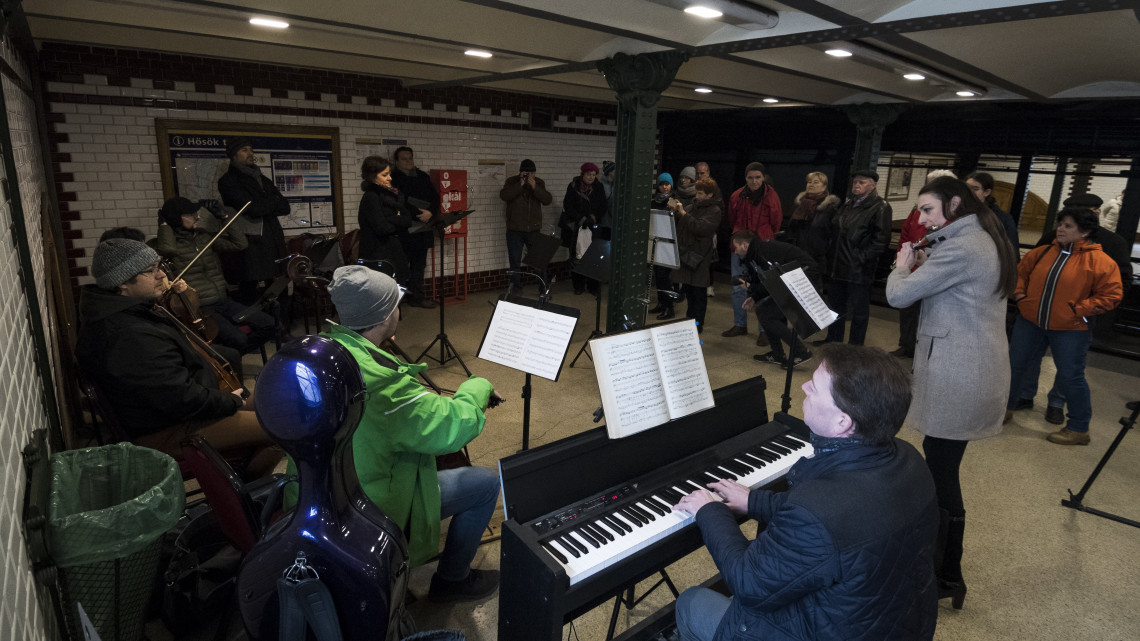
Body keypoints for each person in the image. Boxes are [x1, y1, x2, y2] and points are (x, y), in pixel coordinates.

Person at [673, 343, 938, 641]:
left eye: (815, 388)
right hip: (892, 623)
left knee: (691, 603)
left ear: (843, 422)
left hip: (829, 630)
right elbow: (837, 522)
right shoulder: (908, 457)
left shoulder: (819, 510)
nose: (803, 386)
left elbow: (749, 584)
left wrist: (709, 511)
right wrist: (754, 500)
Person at [320, 265, 503, 602]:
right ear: (386, 315)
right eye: (395, 303)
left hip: (326, 492)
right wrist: (477, 386)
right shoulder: (383, 386)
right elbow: (453, 428)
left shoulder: (326, 352)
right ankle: (452, 581)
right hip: (369, 503)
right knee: (485, 483)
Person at [887, 176, 1020, 608]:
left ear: (955, 204)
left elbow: (898, 295)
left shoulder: (964, 247)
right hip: (972, 364)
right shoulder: (982, 238)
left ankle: (945, 573)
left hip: (963, 371)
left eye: (926, 209)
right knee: (941, 463)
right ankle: (941, 567)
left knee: (942, 469)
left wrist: (903, 262)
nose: (920, 217)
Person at [75, 238, 281, 479]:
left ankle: (249, 480)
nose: (162, 275)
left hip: (185, 412)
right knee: (285, 427)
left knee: (274, 398)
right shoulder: (127, 335)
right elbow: (180, 399)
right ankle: (247, 498)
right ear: (123, 283)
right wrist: (230, 403)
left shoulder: (129, 313)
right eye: (151, 270)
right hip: (170, 429)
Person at [1010, 193, 1132, 424]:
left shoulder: (1101, 261)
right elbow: (1020, 274)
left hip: (1071, 328)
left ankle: (1078, 426)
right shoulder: (1043, 251)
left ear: (1084, 232)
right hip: (1030, 322)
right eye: (1060, 224)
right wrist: (1021, 297)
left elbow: (1112, 294)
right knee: (1015, 367)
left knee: (1071, 376)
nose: (1060, 229)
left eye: (1068, 226)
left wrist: (1077, 309)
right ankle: (1007, 406)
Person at [152, 196, 276, 354]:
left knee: (268, 323)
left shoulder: (203, 237)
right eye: (192, 214)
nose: (198, 216)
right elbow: (167, 251)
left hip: (223, 299)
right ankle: (230, 353)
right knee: (238, 339)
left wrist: (224, 217)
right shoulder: (167, 244)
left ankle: (233, 353)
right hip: (200, 307)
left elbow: (240, 243)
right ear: (178, 218)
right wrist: (164, 226)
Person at [891, 169, 957, 359]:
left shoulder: (950, 215)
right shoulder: (917, 210)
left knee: (928, 313)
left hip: (932, 269)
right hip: (912, 266)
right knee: (907, 309)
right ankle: (906, 345)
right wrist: (902, 258)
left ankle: (924, 351)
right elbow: (906, 234)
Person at [822, 169, 892, 346]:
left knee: (859, 313)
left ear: (873, 185)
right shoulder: (847, 205)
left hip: (858, 270)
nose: (857, 185)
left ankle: (855, 348)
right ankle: (834, 343)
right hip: (838, 266)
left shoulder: (880, 207)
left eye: (862, 182)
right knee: (835, 308)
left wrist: (860, 258)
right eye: (855, 182)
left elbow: (881, 241)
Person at [732, 230, 821, 369]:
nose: (735, 252)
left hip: (803, 278)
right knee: (763, 310)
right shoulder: (756, 252)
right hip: (791, 278)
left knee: (769, 315)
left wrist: (751, 287)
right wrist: (754, 297)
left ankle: (801, 351)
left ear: (744, 245)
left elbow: (773, 282)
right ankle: (778, 354)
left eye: (736, 247)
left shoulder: (763, 252)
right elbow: (770, 282)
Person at [216, 137, 290, 302]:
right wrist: (272, 202)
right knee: (249, 286)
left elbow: (285, 207)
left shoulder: (262, 179)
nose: (250, 154)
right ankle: (252, 324)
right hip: (250, 242)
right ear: (233, 155)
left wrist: (265, 204)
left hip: (272, 238)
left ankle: (280, 322)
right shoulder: (228, 181)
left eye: (251, 150)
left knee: (278, 284)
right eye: (244, 150)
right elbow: (254, 210)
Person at [723, 162, 782, 340]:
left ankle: (764, 331)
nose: (754, 181)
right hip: (739, 247)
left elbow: (776, 223)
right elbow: (732, 219)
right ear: (746, 178)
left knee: (763, 288)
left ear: (763, 178)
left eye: (758, 177)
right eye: (750, 177)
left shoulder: (772, 196)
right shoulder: (736, 196)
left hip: (762, 247)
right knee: (738, 288)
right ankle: (740, 325)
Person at [357, 155, 430, 286]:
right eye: (385, 175)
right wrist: (397, 220)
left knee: (396, 292)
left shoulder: (389, 196)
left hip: (392, 252)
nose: (390, 178)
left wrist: (390, 218)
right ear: (372, 176)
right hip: (378, 255)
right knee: (384, 295)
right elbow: (382, 228)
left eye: (389, 174)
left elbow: (407, 219)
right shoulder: (371, 197)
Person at [390, 145, 440, 309]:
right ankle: (398, 300)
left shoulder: (423, 176)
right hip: (403, 229)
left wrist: (430, 213)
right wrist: (419, 213)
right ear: (396, 161)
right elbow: (398, 203)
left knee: (420, 264)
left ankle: (416, 297)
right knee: (401, 265)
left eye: (410, 158)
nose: (408, 161)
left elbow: (435, 198)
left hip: (423, 228)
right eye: (404, 159)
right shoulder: (393, 178)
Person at [671, 178, 722, 333]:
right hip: (686, 253)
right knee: (688, 289)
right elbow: (683, 222)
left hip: (700, 256)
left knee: (699, 292)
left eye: (700, 193)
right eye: (697, 192)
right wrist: (675, 212)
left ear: (709, 194)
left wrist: (683, 214)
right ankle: (689, 319)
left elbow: (700, 227)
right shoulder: (692, 206)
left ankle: (698, 324)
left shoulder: (715, 211)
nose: (697, 195)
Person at [500, 159, 553, 292]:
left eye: (531, 173)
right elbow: (504, 195)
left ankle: (543, 290)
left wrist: (535, 186)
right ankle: (515, 289)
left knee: (539, 262)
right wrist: (520, 184)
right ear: (520, 172)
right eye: (525, 172)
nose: (529, 175)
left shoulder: (539, 183)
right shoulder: (512, 181)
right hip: (515, 230)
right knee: (515, 263)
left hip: (534, 230)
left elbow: (547, 200)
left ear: (535, 173)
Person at [559, 162, 608, 295]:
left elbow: (603, 205)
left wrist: (593, 217)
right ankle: (578, 285)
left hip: (593, 227)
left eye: (593, 175)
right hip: (577, 226)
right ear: (583, 174)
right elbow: (568, 205)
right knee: (577, 256)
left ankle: (593, 286)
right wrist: (580, 218)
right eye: (588, 174)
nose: (591, 177)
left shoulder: (598, 187)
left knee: (594, 256)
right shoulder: (573, 186)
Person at [785, 171, 839, 270]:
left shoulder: (829, 208)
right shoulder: (800, 204)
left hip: (817, 257)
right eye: (809, 182)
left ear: (824, 186)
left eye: (816, 182)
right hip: (797, 253)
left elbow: (832, 234)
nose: (811, 185)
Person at [650, 173, 680, 319]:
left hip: (668, 244)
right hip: (657, 242)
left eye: (667, 184)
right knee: (658, 277)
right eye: (662, 184)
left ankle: (670, 308)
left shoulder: (674, 202)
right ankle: (661, 304)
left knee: (665, 277)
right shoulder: (654, 201)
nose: (665, 187)